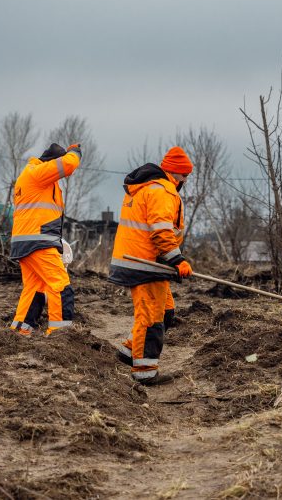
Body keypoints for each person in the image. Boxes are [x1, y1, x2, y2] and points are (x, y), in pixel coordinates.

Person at [108, 146, 193, 386]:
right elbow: (161, 231)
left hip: (147, 261)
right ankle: (145, 371)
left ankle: (129, 351)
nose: (185, 181)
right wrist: (177, 259)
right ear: (174, 173)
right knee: (152, 318)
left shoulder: (147, 187)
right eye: (184, 176)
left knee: (165, 312)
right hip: (145, 263)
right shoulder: (161, 191)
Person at [8, 142, 82, 336]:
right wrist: (74, 151)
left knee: (34, 288)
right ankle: (60, 334)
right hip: (37, 241)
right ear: (50, 163)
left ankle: (18, 333)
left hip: (29, 241)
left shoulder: (34, 177)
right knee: (60, 285)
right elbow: (69, 164)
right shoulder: (38, 173)